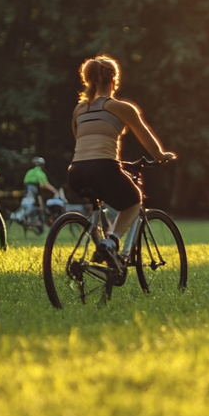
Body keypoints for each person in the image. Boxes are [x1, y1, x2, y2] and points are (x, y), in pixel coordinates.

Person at [67, 55, 175, 265]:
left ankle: (102, 245)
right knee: (135, 200)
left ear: (88, 80)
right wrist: (161, 157)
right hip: (103, 167)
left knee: (100, 208)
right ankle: (112, 241)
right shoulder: (122, 107)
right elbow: (149, 141)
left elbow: (80, 141)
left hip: (76, 172)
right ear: (114, 79)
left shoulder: (79, 110)